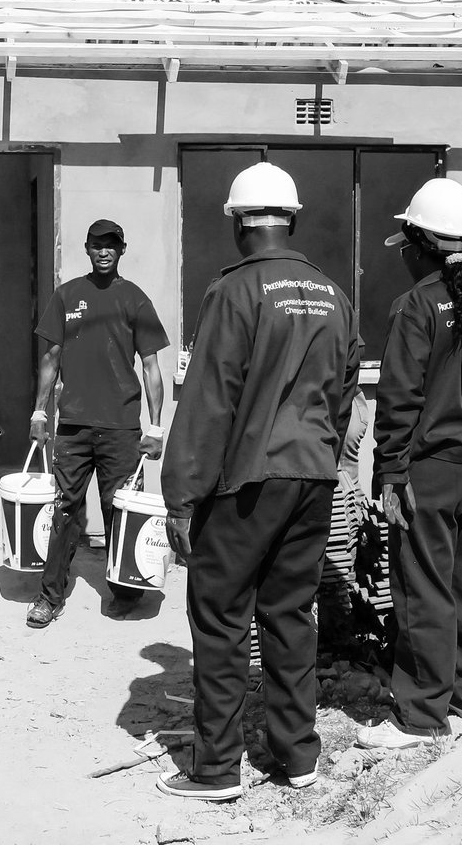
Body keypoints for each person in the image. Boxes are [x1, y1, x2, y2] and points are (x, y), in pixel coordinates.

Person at [158, 162, 359, 801]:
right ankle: (298, 756)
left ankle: (216, 769)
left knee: (219, 617)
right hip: (312, 478)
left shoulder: (235, 292)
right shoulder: (333, 295)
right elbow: (345, 394)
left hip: (248, 481)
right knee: (291, 613)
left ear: (240, 224)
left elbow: (210, 400)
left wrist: (181, 496)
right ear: (291, 219)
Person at [356, 177, 462, 751]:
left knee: (422, 587)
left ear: (421, 246)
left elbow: (399, 397)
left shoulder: (416, 305)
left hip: (432, 470)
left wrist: (391, 471)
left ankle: (421, 714)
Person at [26, 218, 169, 627]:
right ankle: (49, 597)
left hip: (122, 428)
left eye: (111, 245)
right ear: (86, 249)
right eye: (96, 245)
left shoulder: (135, 299)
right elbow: (51, 359)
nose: (104, 251)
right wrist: (40, 412)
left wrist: (155, 427)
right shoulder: (67, 296)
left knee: (120, 510)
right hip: (73, 426)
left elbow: (151, 366)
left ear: (122, 250)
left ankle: (125, 591)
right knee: (64, 511)